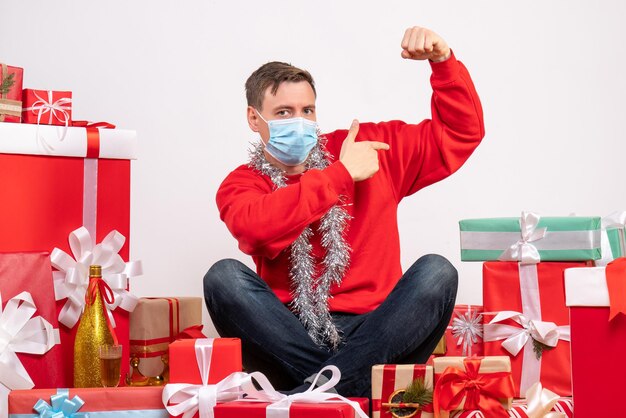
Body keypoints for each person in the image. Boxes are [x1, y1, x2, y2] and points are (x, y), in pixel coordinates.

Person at [204, 26, 484, 398]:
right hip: (289, 337)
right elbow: (255, 228)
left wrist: (442, 62)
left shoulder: (364, 148)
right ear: (255, 119)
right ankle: (344, 389)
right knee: (222, 277)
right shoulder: (243, 182)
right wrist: (340, 175)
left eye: (307, 110)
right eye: (284, 113)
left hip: (379, 330)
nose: (299, 122)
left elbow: (460, 133)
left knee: (437, 272)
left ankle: (309, 397)